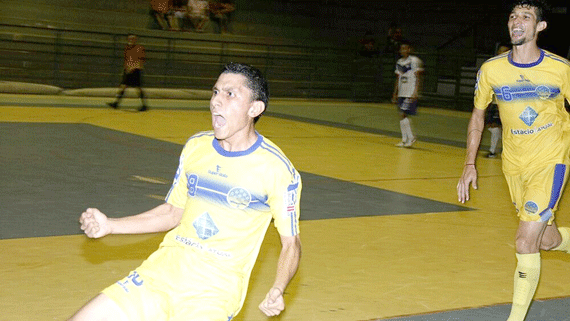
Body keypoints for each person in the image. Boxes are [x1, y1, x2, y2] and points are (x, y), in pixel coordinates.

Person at [71, 63, 302, 321]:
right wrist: (110, 226)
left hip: (212, 294)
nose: (216, 102)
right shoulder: (197, 147)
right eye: (215, 92)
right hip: (161, 274)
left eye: (229, 94)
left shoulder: (277, 169)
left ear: (255, 108)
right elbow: (172, 212)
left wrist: (278, 288)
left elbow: (290, 244)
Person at [457, 1, 570, 320]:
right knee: (547, 240)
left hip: (551, 161)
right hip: (514, 165)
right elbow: (478, 117)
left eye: (526, 17)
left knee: (524, 242)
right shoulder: (492, 70)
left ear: (540, 27)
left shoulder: (560, 69)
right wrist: (469, 163)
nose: (517, 22)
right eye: (512, 16)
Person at [392, 40, 423, 148]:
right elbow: (398, 78)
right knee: (401, 115)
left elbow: (418, 77)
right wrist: (395, 93)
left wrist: (416, 91)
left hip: (410, 92)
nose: (403, 50)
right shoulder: (399, 62)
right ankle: (404, 139)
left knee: (403, 113)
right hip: (402, 91)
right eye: (401, 49)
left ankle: (411, 137)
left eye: (405, 48)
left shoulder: (414, 60)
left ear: (409, 49)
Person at [107, 34, 148, 112]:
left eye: (132, 39)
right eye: (129, 39)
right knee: (123, 86)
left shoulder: (139, 48)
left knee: (137, 88)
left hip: (135, 70)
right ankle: (116, 103)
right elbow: (127, 59)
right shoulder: (127, 49)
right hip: (128, 70)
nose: (131, 40)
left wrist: (134, 68)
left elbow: (140, 60)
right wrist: (126, 68)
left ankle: (144, 105)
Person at [485, 43, 512, 158]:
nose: (502, 53)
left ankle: (493, 151)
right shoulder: (494, 66)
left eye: (505, 51)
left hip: (506, 104)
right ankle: (503, 148)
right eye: (501, 51)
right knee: (493, 127)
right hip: (495, 103)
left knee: (498, 127)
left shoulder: (512, 68)